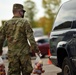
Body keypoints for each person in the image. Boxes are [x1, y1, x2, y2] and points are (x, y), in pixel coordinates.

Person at [0, 3, 41, 75]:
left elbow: (1, 39)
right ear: (19, 11)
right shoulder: (25, 22)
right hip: (24, 54)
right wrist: (36, 50)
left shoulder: (6, 24)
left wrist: (0, 50)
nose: (23, 13)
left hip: (12, 55)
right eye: (23, 12)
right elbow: (31, 38)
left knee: (13, 73)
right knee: (26, 72)